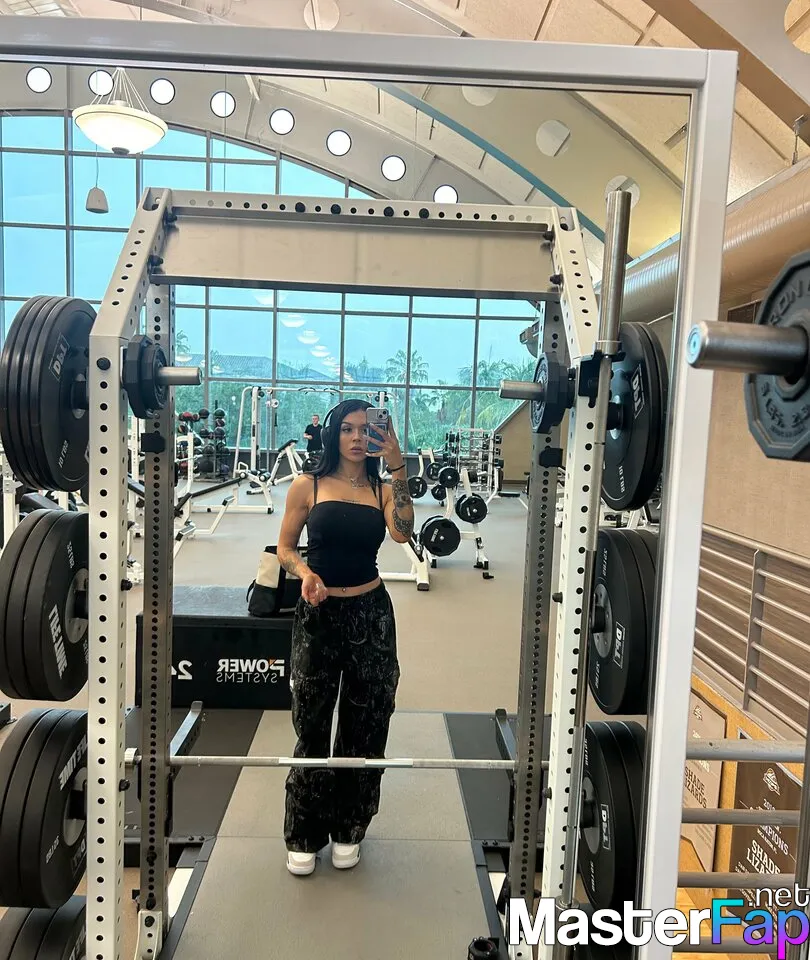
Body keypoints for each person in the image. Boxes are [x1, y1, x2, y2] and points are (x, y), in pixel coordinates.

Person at [276, 399, 414, 876]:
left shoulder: (383, 489)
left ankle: (350, 827)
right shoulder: (307, 485)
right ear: (333, 434)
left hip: (371, 615)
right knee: (311, 723)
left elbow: (403, 532)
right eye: (348, 429)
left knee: (367, 724)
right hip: (319, 613)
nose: (357, 438)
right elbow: (285, 549)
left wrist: (398, 466)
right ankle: (304, 832)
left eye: (366, 430)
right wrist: (305, 573)